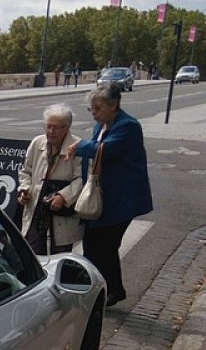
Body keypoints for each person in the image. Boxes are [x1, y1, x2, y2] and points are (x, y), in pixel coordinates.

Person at [66, 83, 153, 306]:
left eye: (98, 108)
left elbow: (104, 150)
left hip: (121, 198)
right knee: (95, 243)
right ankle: (99, 287)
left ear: (113, 106)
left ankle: (110, 289)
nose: (94, 113)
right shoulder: (103, 125)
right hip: (104, 194)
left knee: (104, 244)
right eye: (91, 109)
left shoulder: (128, 126)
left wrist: (77, 146)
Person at [18, 103, 84, 255]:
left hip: (62, 208)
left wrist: (63, 196)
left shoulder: (78, 146)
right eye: (48, 126)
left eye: (57, 127)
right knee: (33, 248)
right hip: (37, 204)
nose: (51, 131)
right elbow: (25, 170)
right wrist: (24, 189)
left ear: (67, 128)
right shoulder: (37, 142)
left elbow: (82, 179)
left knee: (60, 252)